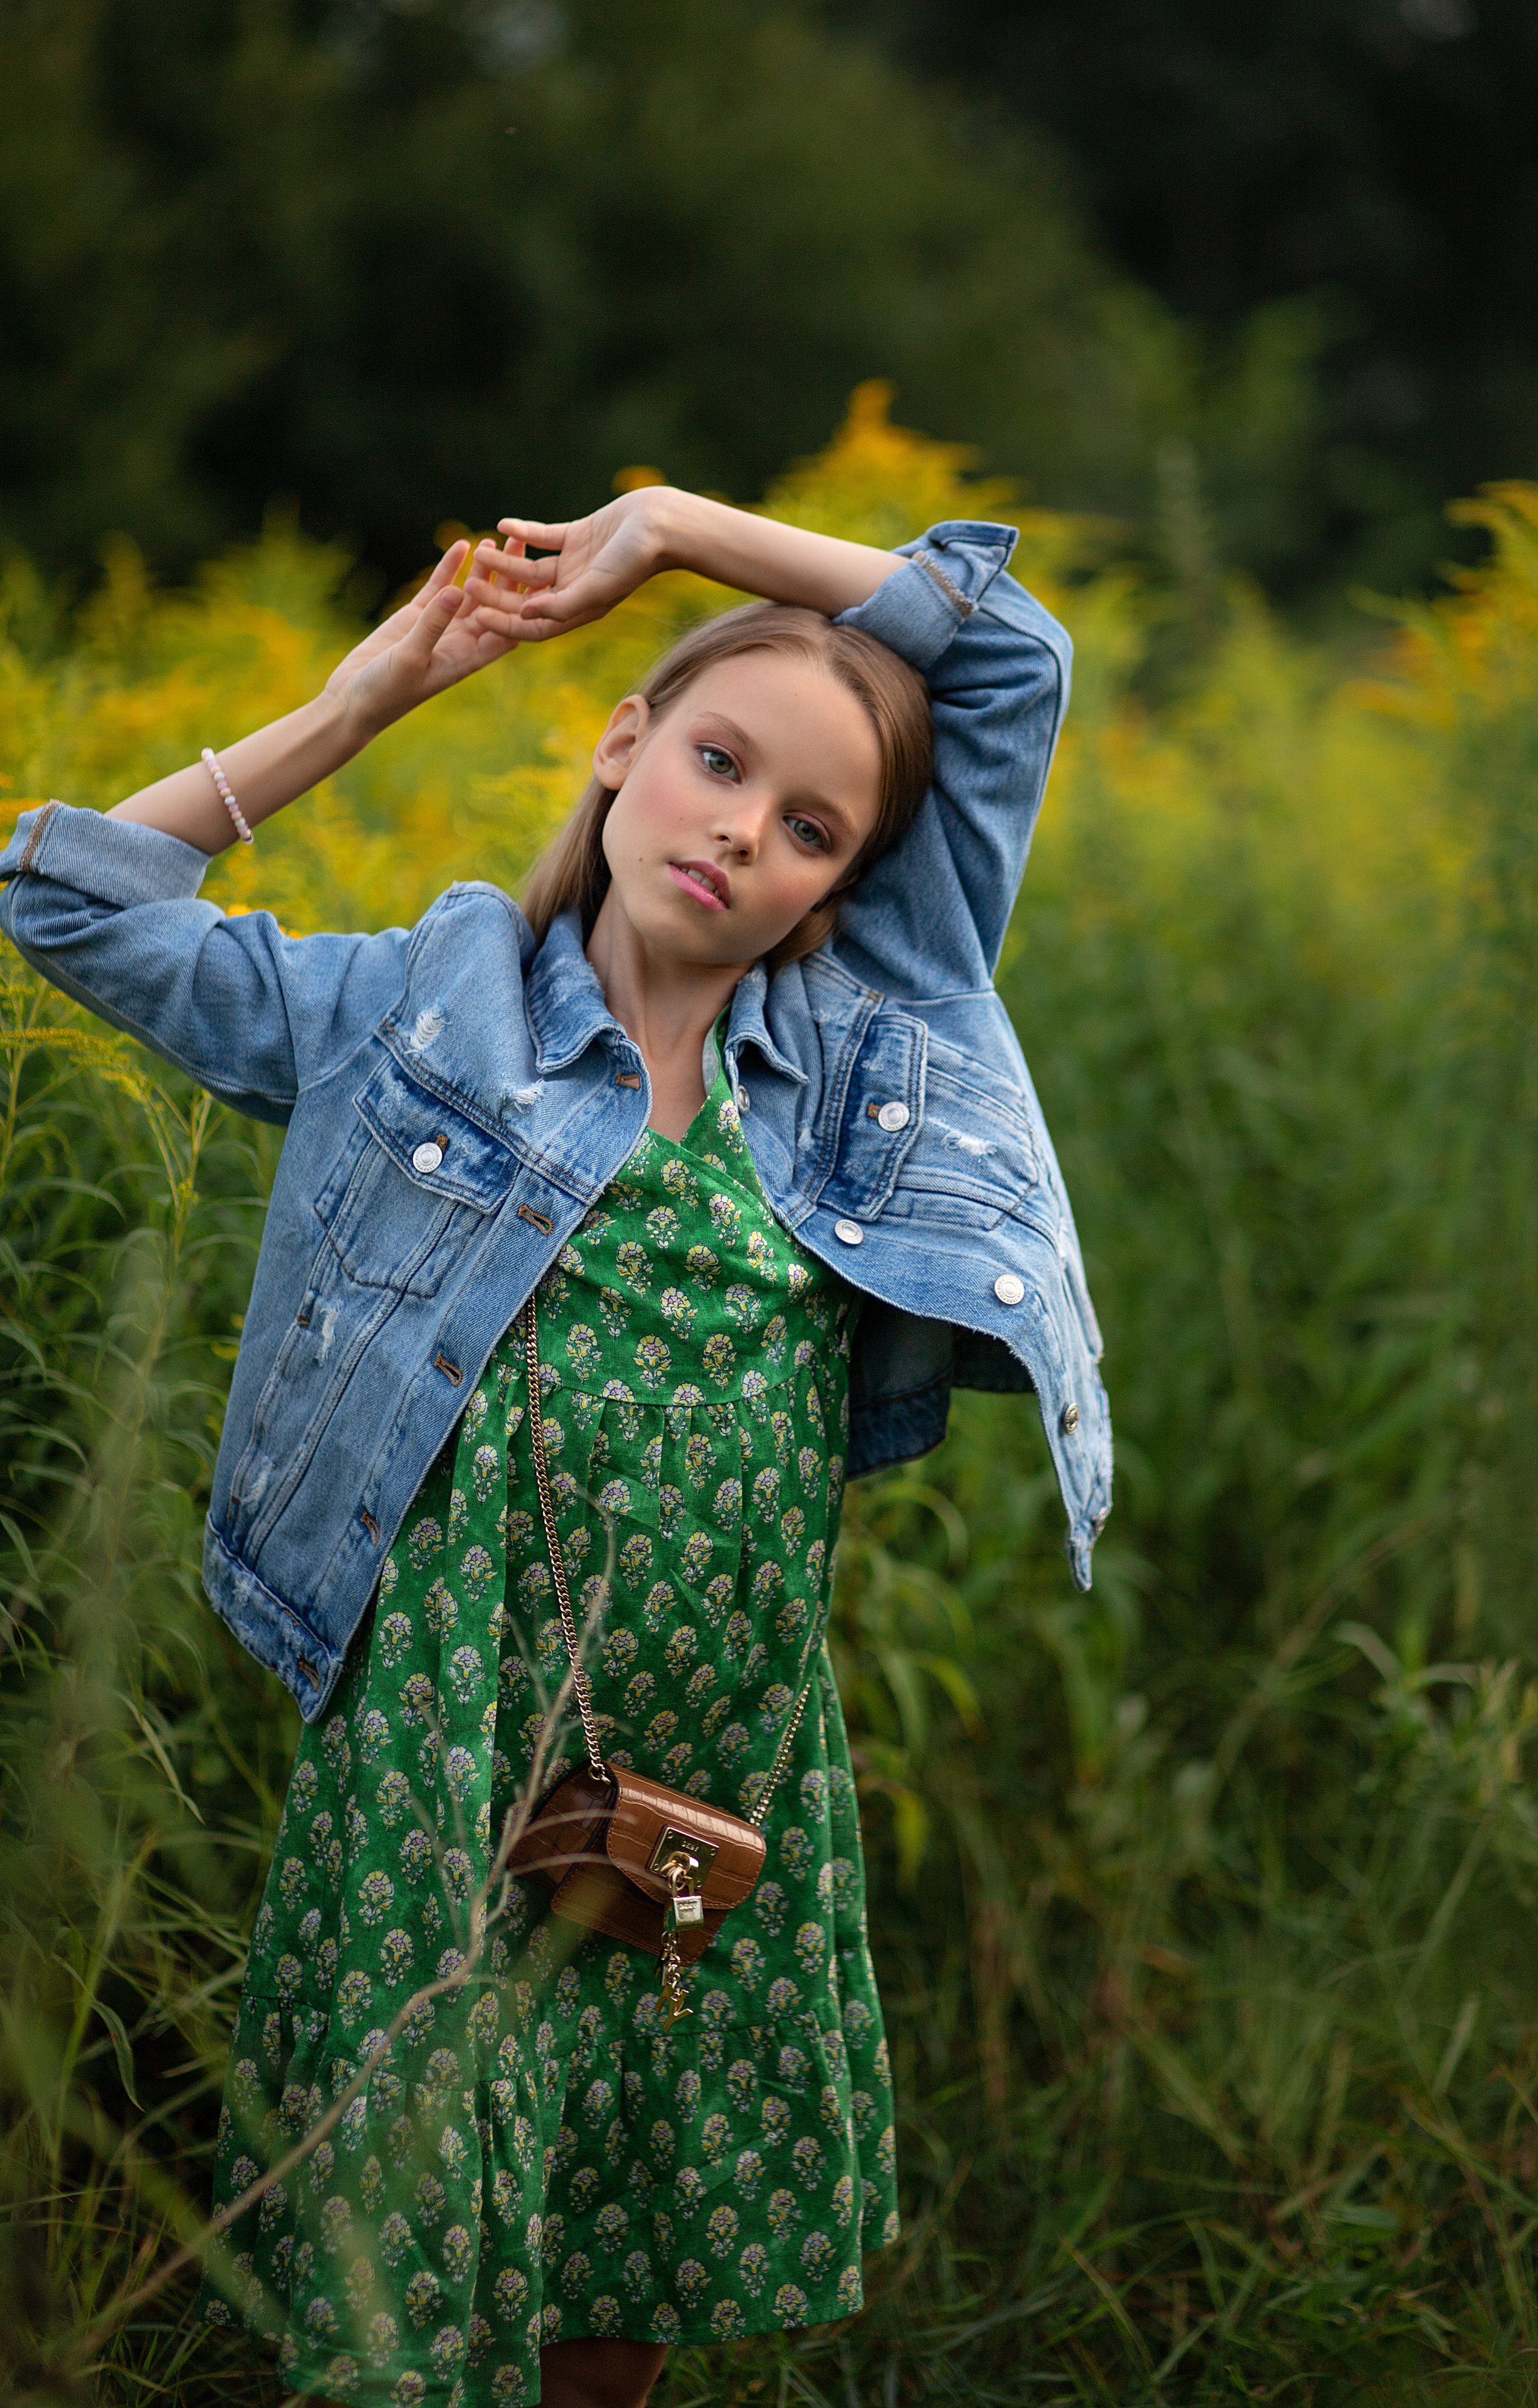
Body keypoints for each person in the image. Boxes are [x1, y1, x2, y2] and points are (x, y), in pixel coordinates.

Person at [0, 490, 1110, 2407]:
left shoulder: (858, 1039)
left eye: (811, 826)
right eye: (717, 760)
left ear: (841, 892)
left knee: (628, 2219)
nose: (744, 829)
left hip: (719, 1734)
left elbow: (1010, 658)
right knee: (406, 2237)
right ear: (622, 749)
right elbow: (68, 898)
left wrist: (675, 528)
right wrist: (363, 699)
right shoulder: (413, 1014)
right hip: (451, 1720)